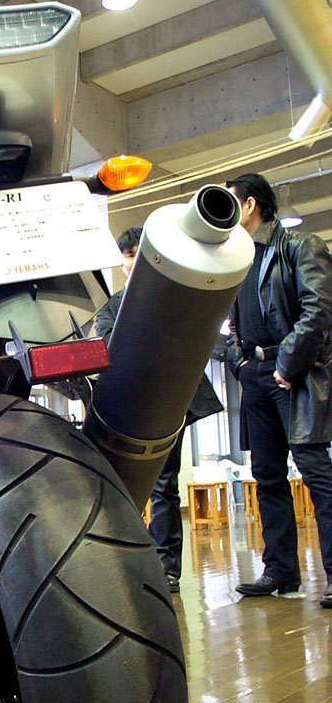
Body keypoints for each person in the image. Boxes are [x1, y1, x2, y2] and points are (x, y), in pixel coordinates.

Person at [95, 227, 223, 592]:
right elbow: (109, 347)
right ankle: (125, 565)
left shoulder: (174, 298)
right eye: (129, 257)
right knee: (121, 488)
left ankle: (167, 568)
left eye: (140, 255)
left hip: (169, 404)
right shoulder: (112, 306)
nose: (134, 263)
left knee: (165, 485)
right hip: (128, 409)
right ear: (122, 263)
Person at [226, 173, 332, 606]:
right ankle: (281, 571)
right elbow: (231, 321)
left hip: (293, 373)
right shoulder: (236, 258)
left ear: (251, 205)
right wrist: (239, 362)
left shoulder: (299, 246)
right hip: (254, 374)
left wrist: (288, 364)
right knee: (267, 476)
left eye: (231, 203)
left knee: (316, 473)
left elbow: (318, 309)